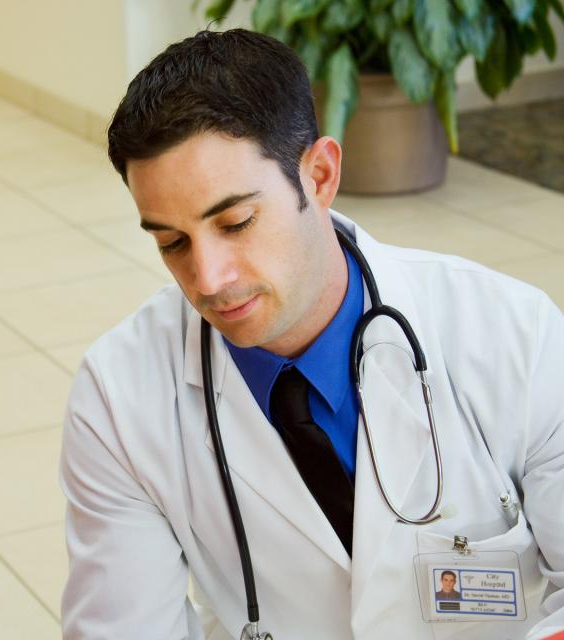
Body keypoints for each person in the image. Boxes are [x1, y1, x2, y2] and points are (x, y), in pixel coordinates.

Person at [59, 28, 564, 640]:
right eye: (172, 242)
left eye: (237, 222)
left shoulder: (513, 334)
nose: (208, 279)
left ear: (320, 176)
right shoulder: (119, 398)